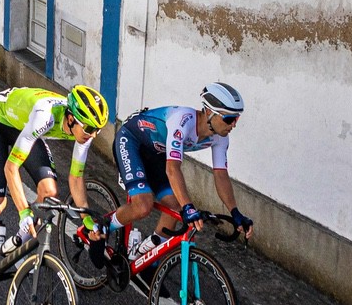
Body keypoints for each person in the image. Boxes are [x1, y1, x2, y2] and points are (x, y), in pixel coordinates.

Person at [0, 85, 109, 293]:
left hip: (25, 127)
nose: (93, 135)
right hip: (0, 122)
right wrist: (24, 213)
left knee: (49, 193)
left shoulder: (83, 131)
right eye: (90, 129)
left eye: (98, 130)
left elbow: (75, 178)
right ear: (70, 119)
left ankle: (20, 243)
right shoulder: (46, 117)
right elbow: (11, 168)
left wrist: (87, 220)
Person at [102, 83, 254, 258]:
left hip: (156, 153)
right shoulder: (183, 121)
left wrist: (235, 212)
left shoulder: (220, 138)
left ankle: (148, 257)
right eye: (229, 119)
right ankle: (102, 227)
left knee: (176, 209)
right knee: (143, 206)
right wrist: (188, 206)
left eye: (237, 119)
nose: (233, 124)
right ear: (209, 112)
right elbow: (173, 168)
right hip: (132, 140)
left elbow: (220, 175)